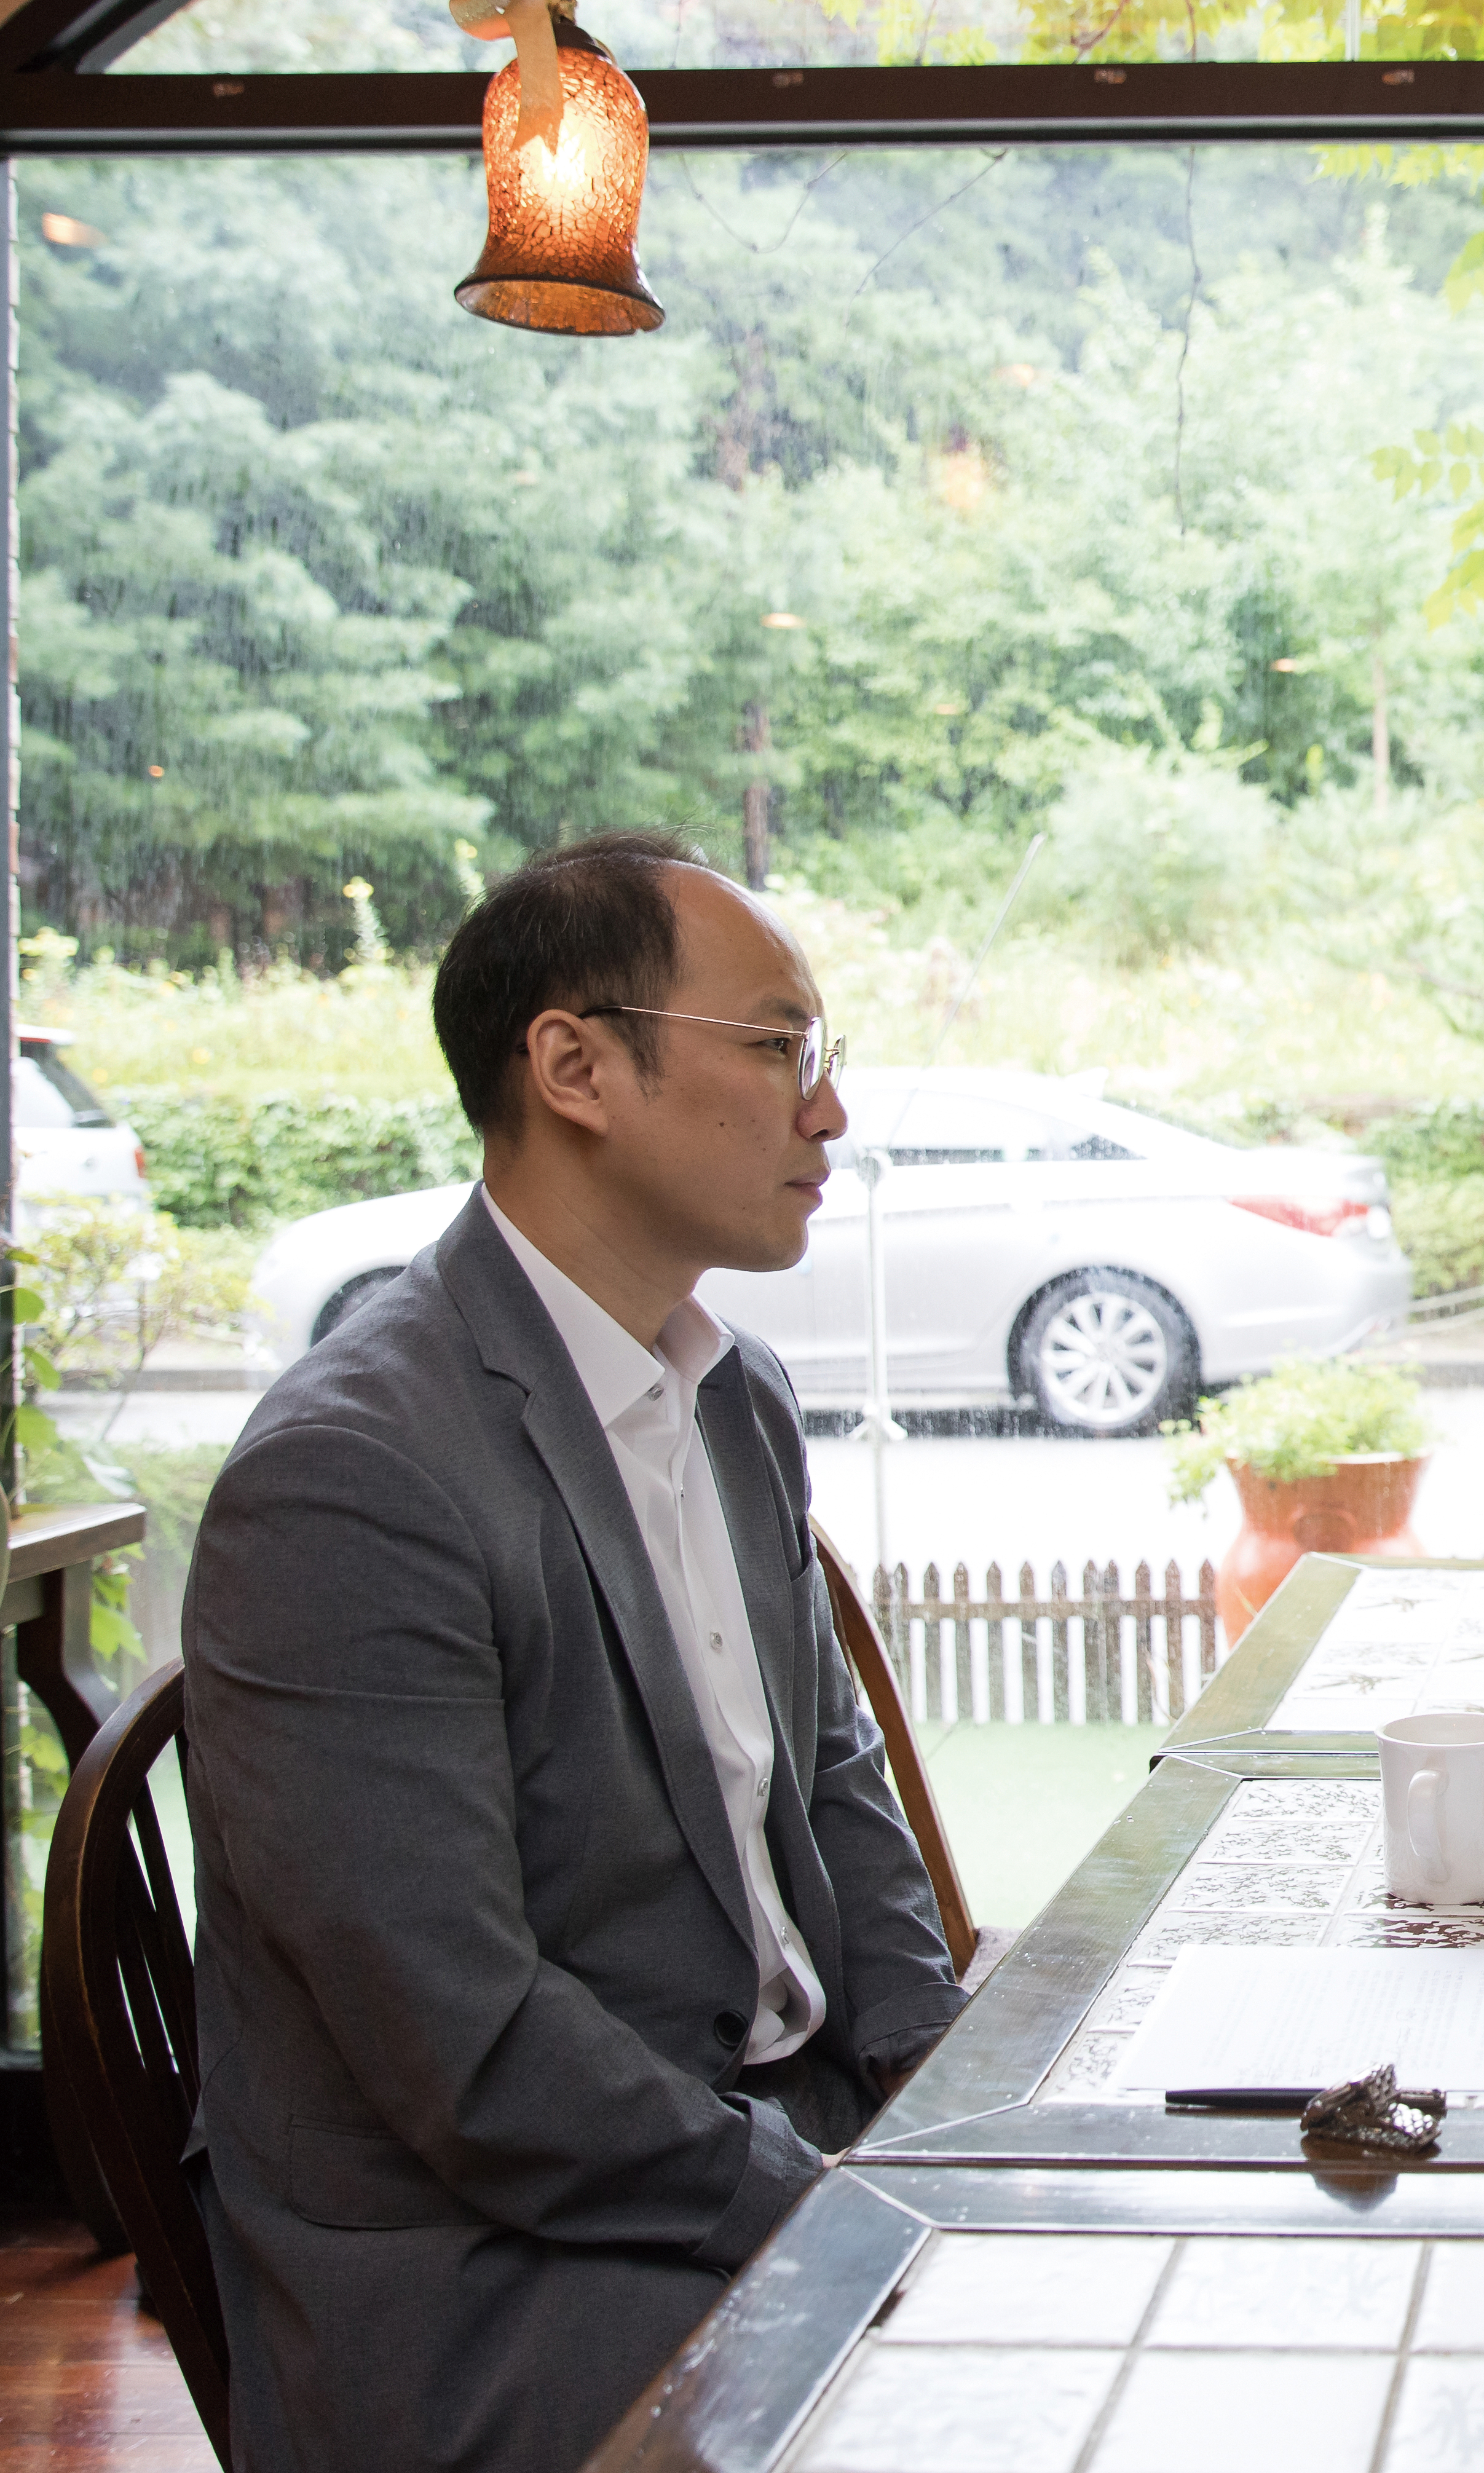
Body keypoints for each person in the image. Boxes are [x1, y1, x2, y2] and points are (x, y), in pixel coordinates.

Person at [181, 833, 968, 2473]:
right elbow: (463, 2050)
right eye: (778, 1048)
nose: (826, 1111)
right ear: (573, 1067)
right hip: (495, 2268)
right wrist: (833, 2213)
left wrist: (939, 2089)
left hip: (751, 2141)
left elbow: (828, 1776)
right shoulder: (352, 1475)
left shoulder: (728, 1393)